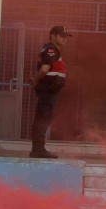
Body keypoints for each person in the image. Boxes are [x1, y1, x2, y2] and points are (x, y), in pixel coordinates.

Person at [29, 25, 72, 159]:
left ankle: (38, 149)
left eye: (66, 36)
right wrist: (35, 80)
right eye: (62, 36)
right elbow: (44, 69)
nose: (65, 39)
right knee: (43, 119)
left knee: (44, 118)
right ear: (53, 36)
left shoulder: (52, 50)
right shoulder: (51, 50)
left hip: (50, 90)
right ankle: (38, 150)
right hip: (48, 90)